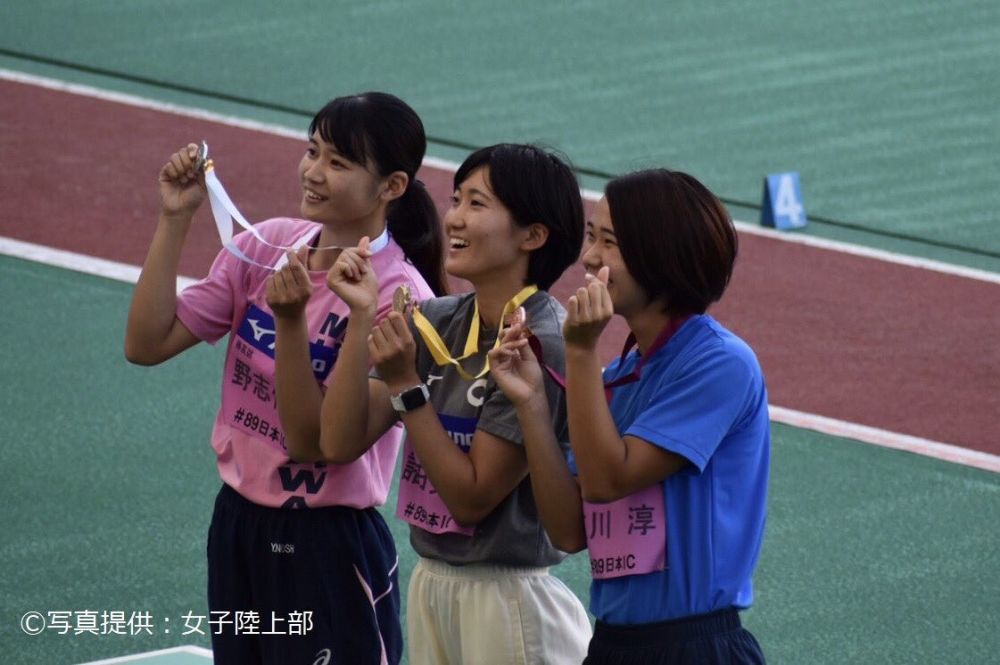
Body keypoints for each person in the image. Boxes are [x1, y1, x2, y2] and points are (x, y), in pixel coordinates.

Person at [124, 92, 445, 665]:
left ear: (392, 186)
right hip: (238, 524)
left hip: (329, 542)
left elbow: (318, 446)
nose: (314, 172)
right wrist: (175, 218)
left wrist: (291, 320)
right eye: (312, 150)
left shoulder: (403, 300)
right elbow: (146, 345)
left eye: (339, 163)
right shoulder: (265, 246)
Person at [295, 143, 592, 664]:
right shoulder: (437, 319)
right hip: (431, 583)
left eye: (477, 204)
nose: (454, 216)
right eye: (457, 199)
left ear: (533, 235)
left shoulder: (541, 342)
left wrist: (407, 389)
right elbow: (338, 443)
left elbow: (472, 498)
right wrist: (362, 315)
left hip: (508, 598)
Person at [489, 168, 769, 664]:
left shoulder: (720, 362)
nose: (590, 256)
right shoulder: (623, 373)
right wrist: (531, 404)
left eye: (609, 241)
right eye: (591, 237)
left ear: (662, 252)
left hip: (694, 646)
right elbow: (569, 530)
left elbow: (605, 480)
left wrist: (579, 350)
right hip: (615, 642)